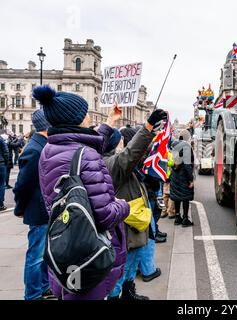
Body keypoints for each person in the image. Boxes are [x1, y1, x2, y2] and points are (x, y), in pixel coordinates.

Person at [35, 85, 130, 300]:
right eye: (85, 112)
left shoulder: (49, 150)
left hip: (64, 242)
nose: (88, 116)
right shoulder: (86, 156)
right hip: (89, 250)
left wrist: (109, 122)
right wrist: (125, 205)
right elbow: (105, 215)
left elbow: (83, 147)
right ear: (77, 119)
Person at [104, 109, 167, 300]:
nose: (124, 142)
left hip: (131, 221)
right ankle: (118, 295)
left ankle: (129, 293)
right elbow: (131, 154)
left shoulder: (112, 160)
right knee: (121, 271)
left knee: (129, 269)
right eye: (121, 140)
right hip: (125, 225)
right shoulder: (111, 163)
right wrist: (147, 126)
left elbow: (136, 153)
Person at [13, 110, 54, 300]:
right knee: (35, 257)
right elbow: (22, 185)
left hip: (45, 210)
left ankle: (44, 287)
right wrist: (20, 208)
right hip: (38, 211)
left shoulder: (44, 145)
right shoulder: (34, 149)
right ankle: (32, 295)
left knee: (44, 255)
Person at [170, 137, 195, 227]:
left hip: (174, 176)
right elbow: (188, 167)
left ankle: (177, 218)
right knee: (185, 198)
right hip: (184, 177)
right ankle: (185, 219)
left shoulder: (173, 147)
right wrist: (191, 180)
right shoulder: (186, 148)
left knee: (176, 197)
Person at [0, 133, 8, 211]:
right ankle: (0, 205)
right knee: (1, 184)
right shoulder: (1, 139)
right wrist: (6, 162)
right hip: (1, 163)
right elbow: (6, 152)